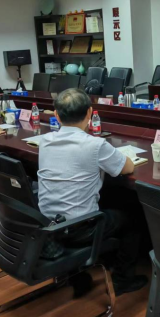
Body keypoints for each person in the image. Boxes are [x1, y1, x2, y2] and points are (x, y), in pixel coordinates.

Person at [37, 88, 146, 296]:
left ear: (56, 115)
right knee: (134, 216)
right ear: (90, 113)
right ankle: (122, 280)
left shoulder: (45, 141)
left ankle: (78, 275)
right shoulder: (95, 145)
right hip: (80, 229)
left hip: (47, 224)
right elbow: (127, 168)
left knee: (108, 200)